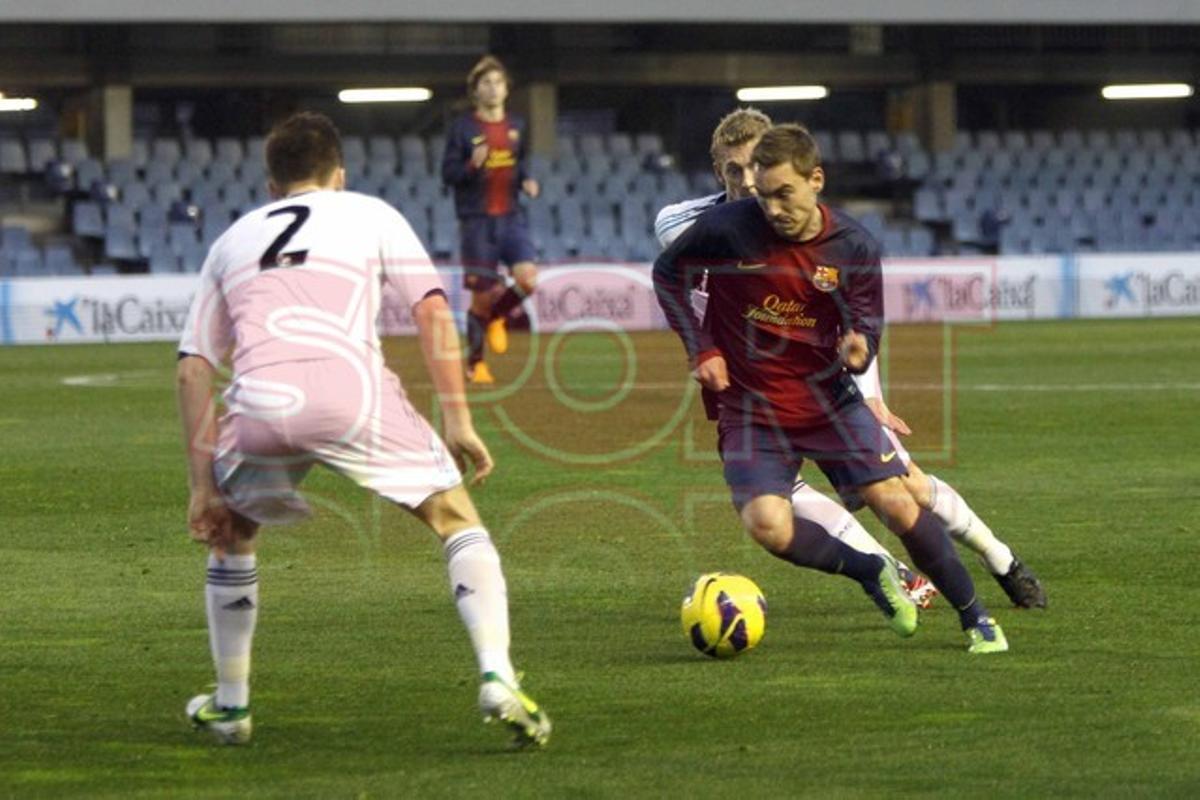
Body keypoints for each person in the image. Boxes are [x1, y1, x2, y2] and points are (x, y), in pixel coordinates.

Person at [176, 111, 551, 747]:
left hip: (262, 402)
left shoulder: (232, 240)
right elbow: (432, 313)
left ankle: (232, 706)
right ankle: (497, 674)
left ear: (272, 186)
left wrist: (202, 488)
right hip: (354, 395)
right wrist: (457, 419)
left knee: (232, 535)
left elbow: (192, 369)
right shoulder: (371, 213)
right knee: (455, 519)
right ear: (340, 176)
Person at [655, 108, 1045, 611]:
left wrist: (871, 394)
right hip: (747, 384)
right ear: (718, 171)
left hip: (822, 378)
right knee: (783, 496)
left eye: (757, 166)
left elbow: (848, 322)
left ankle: (1001, 560)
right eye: (736, 169)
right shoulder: (683, 224)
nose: (749, 180)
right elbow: (675, 274)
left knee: (908, 487)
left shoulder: (817, 232)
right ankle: (893, 572)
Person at [441, 55, 540, 385]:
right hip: (477, 222)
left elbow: (519, 162)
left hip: (511, 217)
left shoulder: (517, 126)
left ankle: (498, 318)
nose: (493, 88)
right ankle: (476, 363)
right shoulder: (462, 129)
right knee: (481, 298)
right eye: (486, 83)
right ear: (475, 91)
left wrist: (526, 180)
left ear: (507, 89)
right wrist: (472, 164)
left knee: (528, 279)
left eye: (498, 82)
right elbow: (448, 174)